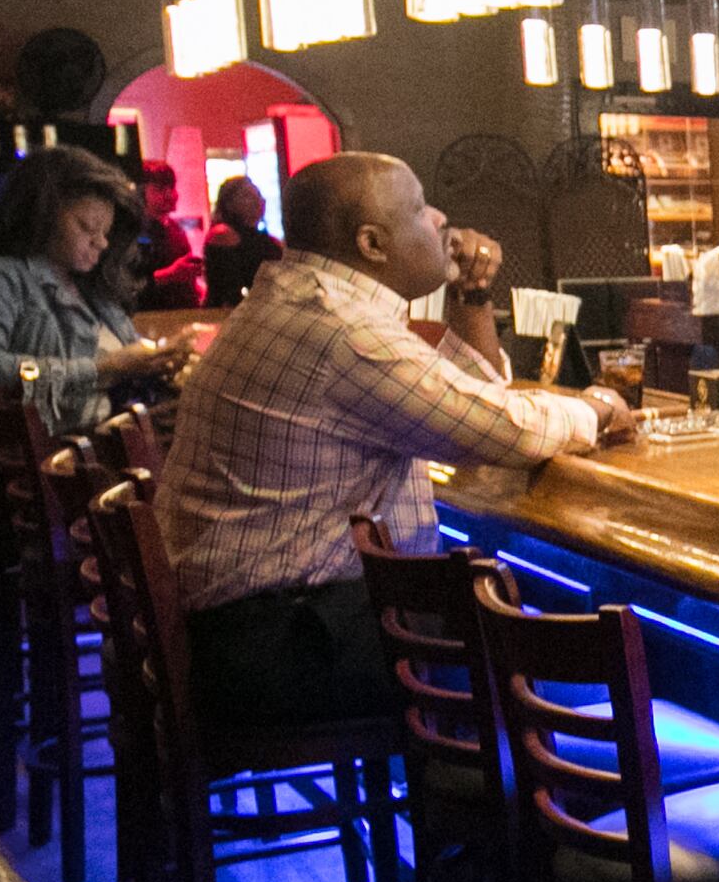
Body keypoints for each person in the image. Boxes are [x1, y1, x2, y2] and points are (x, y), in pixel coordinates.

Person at [154, 153, 636, 736]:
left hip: (245, 631)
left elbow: (473, 399)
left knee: (513, 639)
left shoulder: (301, 302)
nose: (440, 219)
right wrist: (600, 405)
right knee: (584, 677)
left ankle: (481, 804)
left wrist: (473, 295)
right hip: (284, 643)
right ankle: (530, 816)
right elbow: (510, 431)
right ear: (372, 243)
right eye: (418, 206)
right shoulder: (342, 331)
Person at [0, 146, 181, 434]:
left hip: (121, 441)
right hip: (70, 458)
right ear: (41, 214)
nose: (103, 243)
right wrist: (101, 368)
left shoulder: (93, 286)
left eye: (106, 233)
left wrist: (160, 362)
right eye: (88, 227)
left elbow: (124, 364)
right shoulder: (1, 277)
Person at [200, 175, 283, 308]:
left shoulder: (270, 240)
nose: (258, 200)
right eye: (247, 196)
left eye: (258, 195)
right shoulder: (224, 235)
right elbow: (229, 288)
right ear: (229, 204)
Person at [131, 162, 204, 312]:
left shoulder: (174, 227)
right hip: (153, 318)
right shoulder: (132, 231)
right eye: (160, 189)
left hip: (184, 313)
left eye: (172, 187)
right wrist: (171, 274)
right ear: (140, 192)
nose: (170, 195)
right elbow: (128, 283)